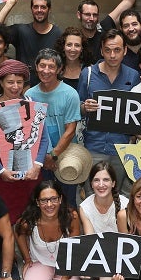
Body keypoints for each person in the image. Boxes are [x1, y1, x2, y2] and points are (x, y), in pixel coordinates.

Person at [0, 59, 50, 221]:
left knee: (33, 217)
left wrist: (37, 166)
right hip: (2, 172)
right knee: (4, 219)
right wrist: (0, 171)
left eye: (19, 82)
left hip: (30, 172)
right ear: (1, 82)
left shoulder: (31, 104)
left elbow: (43, 138)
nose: (15, 87)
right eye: (10, 82)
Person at [77, 29, 140, 194]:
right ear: (101, 50)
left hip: (122, 149)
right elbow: (78, 108)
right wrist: (85, 107)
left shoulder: (133, 76)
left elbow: (138, 113)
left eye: (117, 50)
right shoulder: (88, 74)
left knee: (118, 197)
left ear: (125, 50)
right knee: (93, 196)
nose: (112, 55)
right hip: (94, 147)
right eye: (108, 50)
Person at [15, 181, 82, 280]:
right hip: (41, 263)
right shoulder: (29, 221)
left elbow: (74, 251)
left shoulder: (71, 217)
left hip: (66, 266)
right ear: (37, 202)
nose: (50, 205)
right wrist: (27, 259)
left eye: (53, 199)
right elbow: (19, 233)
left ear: (60, 199)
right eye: (44, 200)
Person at [25, 49, 82, 203]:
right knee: (43, 202)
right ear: (36, 67)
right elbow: (28, 130)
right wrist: (44, 157)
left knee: (67, 202)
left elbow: (70, 130)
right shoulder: (29, 95)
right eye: (42, 66)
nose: (46, 71)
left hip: (66, 158)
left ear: (59, 69)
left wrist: (53, 155)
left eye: (51, 66)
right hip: (39, 158)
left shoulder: (70, 94)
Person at [0, 0, 62, 68]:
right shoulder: (21, 31)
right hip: (23, 79)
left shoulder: (58, 34)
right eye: (36, 7)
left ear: (49, 9)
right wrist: (8, 5)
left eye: (43, 7)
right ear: (31, 9)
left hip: (49, 78)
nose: (39, 10)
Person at [78, 161, 128, 235]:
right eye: (96, 180)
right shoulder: (85, 207)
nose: (101, 185)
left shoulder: (126, 204)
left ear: (113, 183)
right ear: (91, 184)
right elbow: (90, 239)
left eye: (106, 180)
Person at [56, 26, 93, 95]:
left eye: (77, 45)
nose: (73, 49)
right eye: (69, 45)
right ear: (63, 47)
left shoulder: (90, 71)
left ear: (82, 48)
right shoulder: (55, 70)